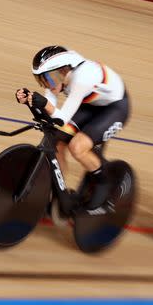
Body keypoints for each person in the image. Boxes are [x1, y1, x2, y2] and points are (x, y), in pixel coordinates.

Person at [15, 46, 130, 213]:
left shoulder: (82, 78)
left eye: (47, 79)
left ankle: (104, 183)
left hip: (115, 108)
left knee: (77, 147)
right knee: (57, 141)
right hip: (89, 104)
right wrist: (30, 101)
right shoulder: (59, 76)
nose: (46, 85)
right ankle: (58, 192)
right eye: (41, 80)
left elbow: (61, 119)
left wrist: (44, 104)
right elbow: (50, 109)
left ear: (62, 71)